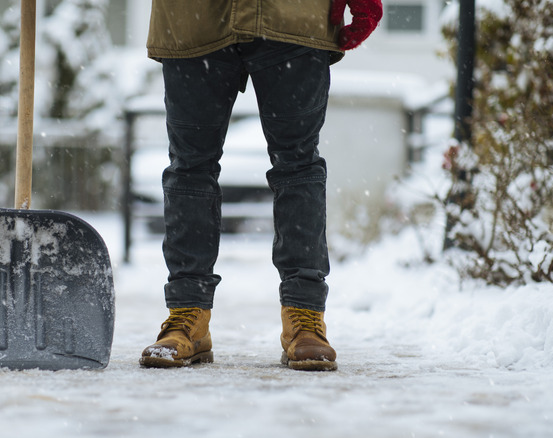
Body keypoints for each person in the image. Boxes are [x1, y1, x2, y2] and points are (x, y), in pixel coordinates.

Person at [139, 0, 383, 371]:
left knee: (298, 167)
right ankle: (188, 315)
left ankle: (304, 318)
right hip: (193, 15)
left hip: (294, 16)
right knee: (190, 169)